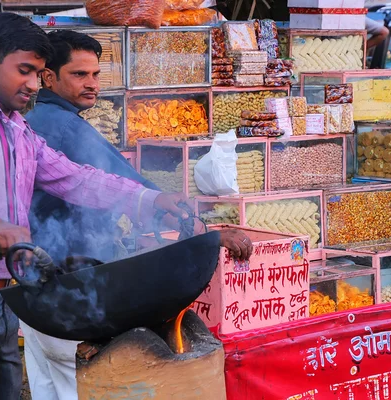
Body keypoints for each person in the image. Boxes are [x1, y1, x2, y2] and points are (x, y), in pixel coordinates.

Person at [0, 13, 198, 400]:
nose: (33, 84)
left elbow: (77, 178)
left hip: (7, 296)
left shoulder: (18, 129)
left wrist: (151, 198)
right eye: (25, 70)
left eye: (39, 73)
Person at [23, 30, 253, 400]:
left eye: (96, 75)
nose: (92, 84)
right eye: (79, 75)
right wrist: (203, 234)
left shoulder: (33, 119)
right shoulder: (64, 126)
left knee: (46, 382)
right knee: (78, 383)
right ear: (48, 77)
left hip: (34, 278)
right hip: (73, 284)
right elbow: (130, 188)